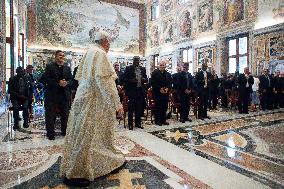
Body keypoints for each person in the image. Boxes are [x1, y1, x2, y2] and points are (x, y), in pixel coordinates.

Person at [60, 30, 125, 187]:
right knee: (87, 136)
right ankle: (78, 172)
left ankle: (76, 168)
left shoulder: (89, 52)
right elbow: (105, 83)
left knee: (81, 134)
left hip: (82, 101)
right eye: (109, 43)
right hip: (92, 103)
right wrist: (117, 105)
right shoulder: (100, 53)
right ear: (104, 41)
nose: (109, 46)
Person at [44, 50, 73, 140]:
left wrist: (66, 83)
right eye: (60, 55)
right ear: (55, 56)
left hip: (64, 95)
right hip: (52, 95)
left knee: (65, 115)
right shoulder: (49, 67)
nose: (62, 57)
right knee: (50, 116)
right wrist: (58, 83)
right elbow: (46, 79)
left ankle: (64, 132)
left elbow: (72, 80)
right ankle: (50, 134)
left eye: (63, 55)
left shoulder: (67, 68)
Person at [123, 56, 147, 130]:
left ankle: (138, 123)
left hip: (140, 91)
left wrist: (144, 79)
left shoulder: (142, 69)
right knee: (131, 108)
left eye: (138, 61)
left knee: (139, 108)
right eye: (135, 60)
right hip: (132, 91)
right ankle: (130, 124)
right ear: (133, 61)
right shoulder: (128, 68)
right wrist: (132, 80)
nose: (137, 62)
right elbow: (124, 79)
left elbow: (146, 79)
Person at [151, 60, 172, 126]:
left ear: (165, 66)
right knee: (158, 107)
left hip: (165, 93)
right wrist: (160, 88)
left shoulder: (168, 74)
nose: (162, 66)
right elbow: (153, 83)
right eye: (161, 65)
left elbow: (170, 83)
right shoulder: (154, 73)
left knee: (164, 107)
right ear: (158, 66)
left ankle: (163, 120)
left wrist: (167, 88)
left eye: (163, 65)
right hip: (157, 93)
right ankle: (157, 120)